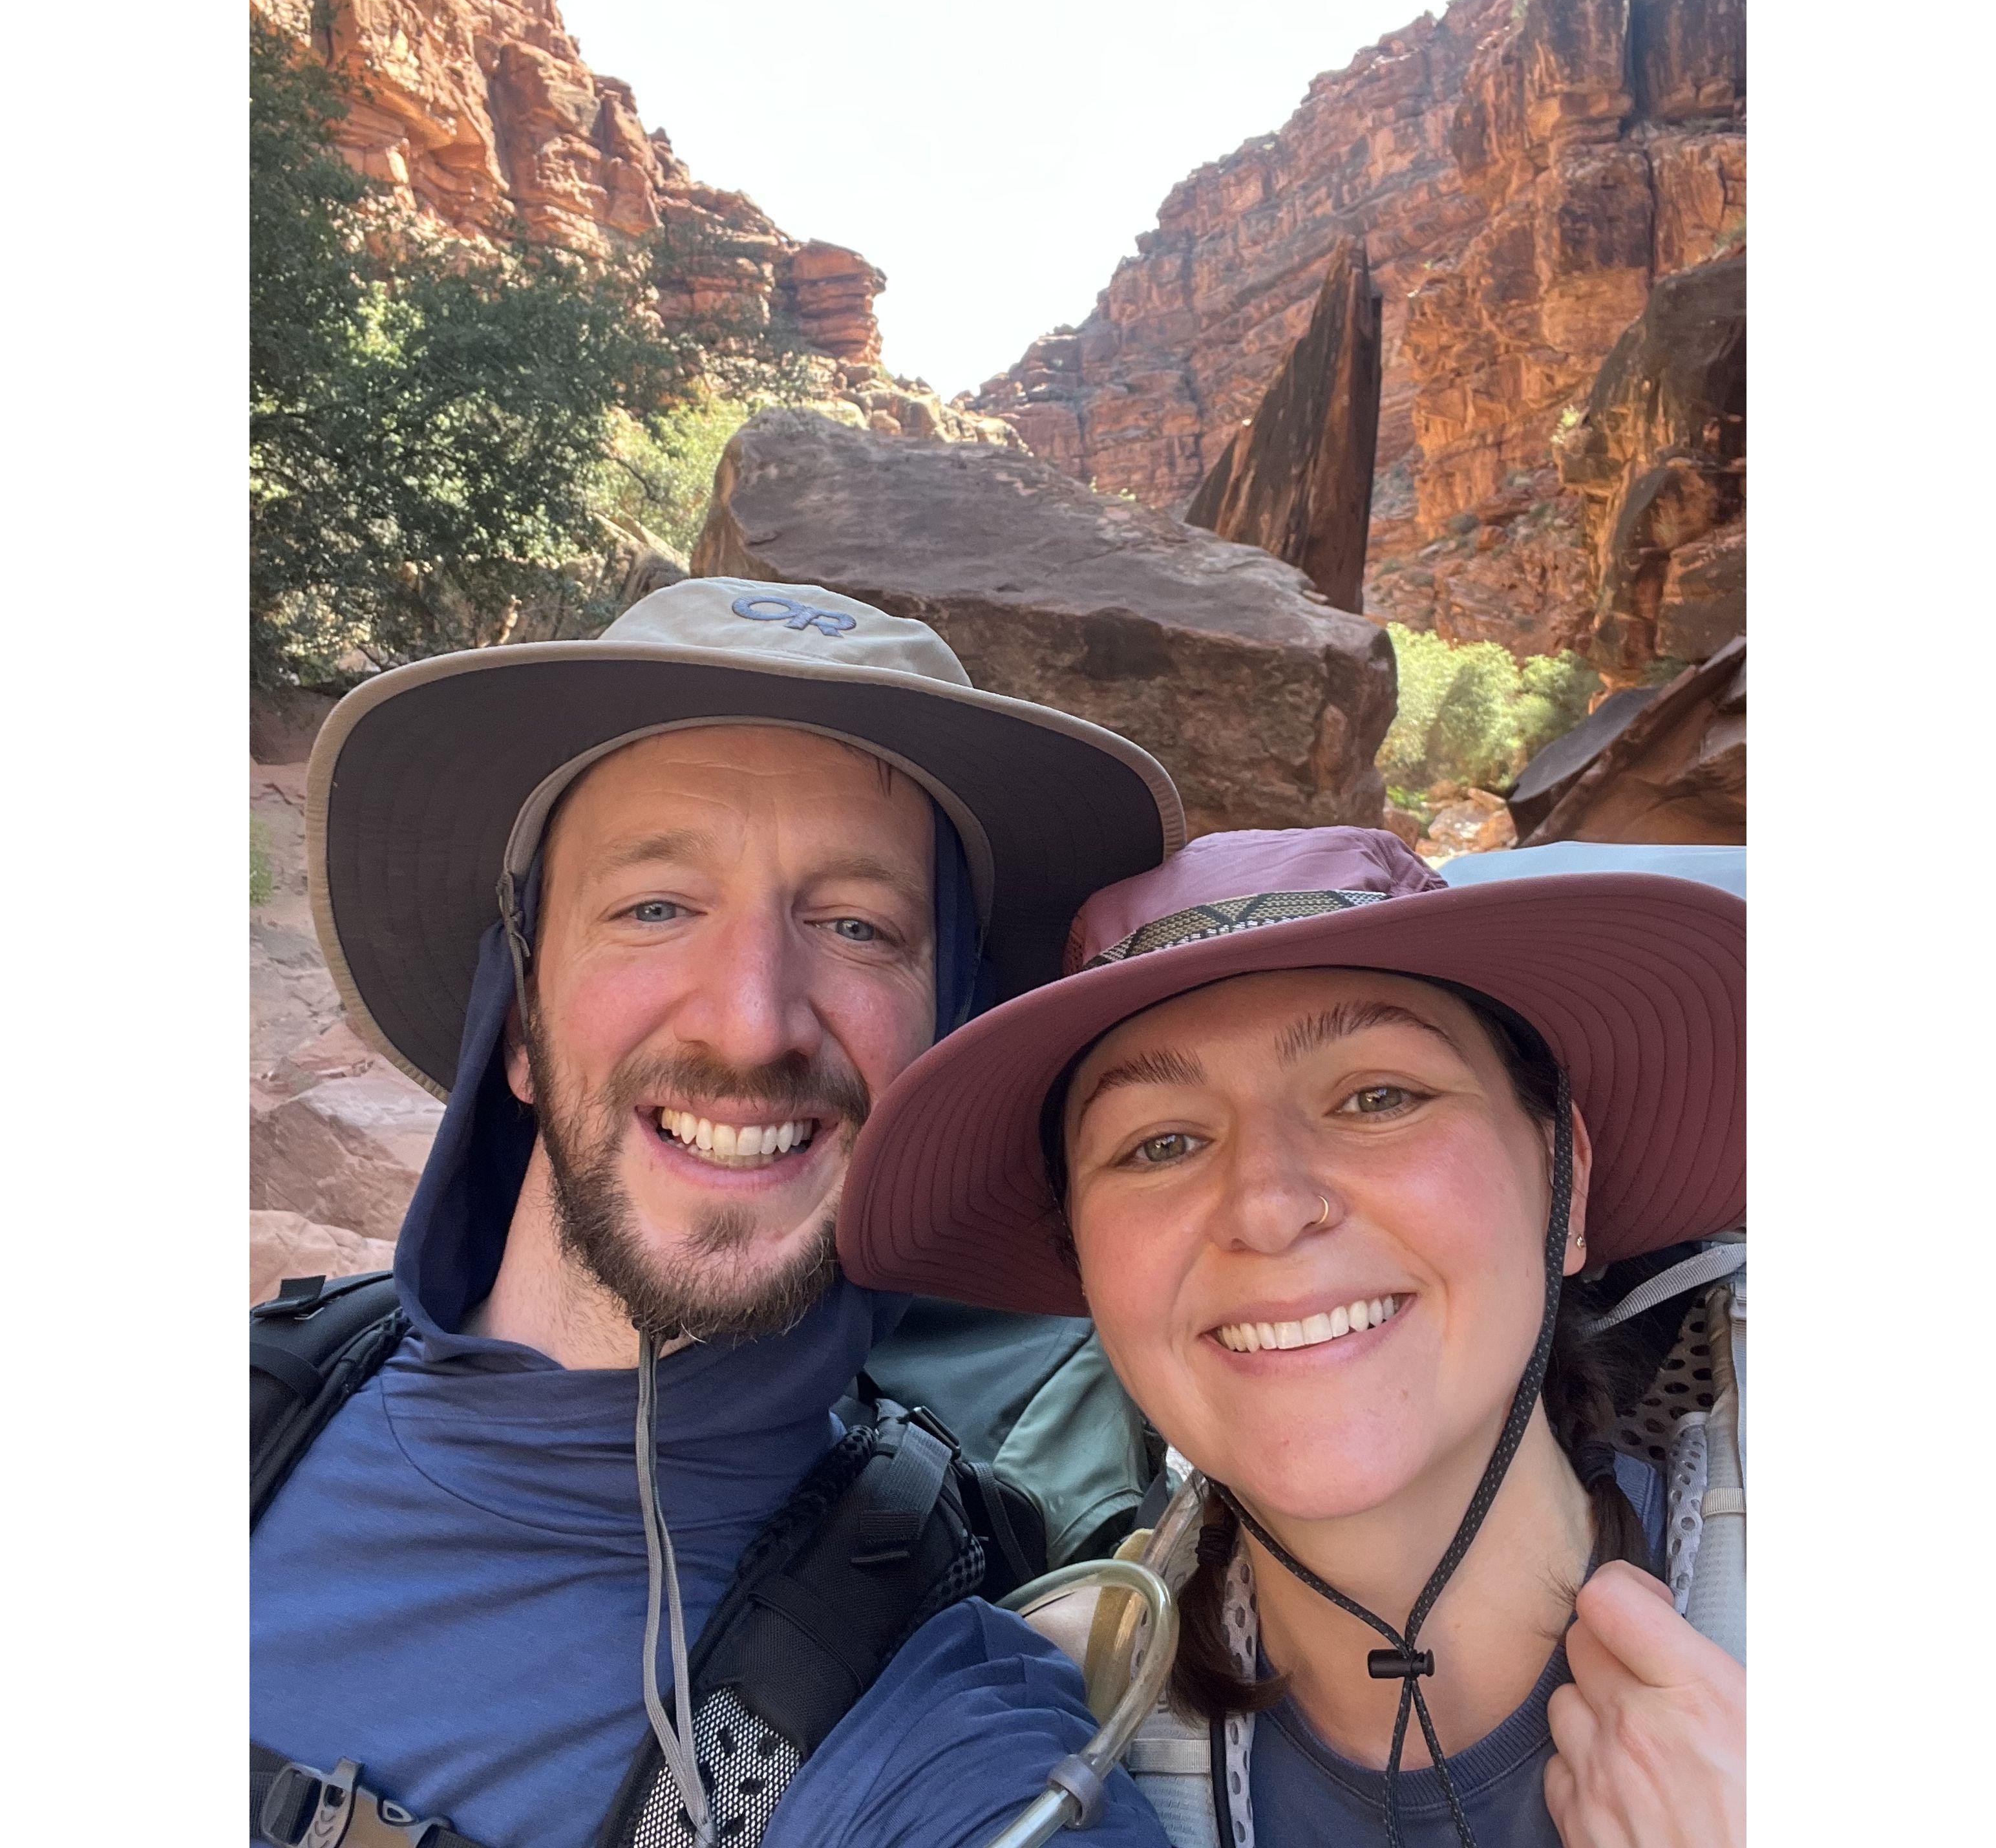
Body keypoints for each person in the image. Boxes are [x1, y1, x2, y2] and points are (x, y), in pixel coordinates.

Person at [251, 575, 1190, 1848]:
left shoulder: (942, 1729)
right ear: (518, 1024)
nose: (751, 1022)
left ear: (943, 1050)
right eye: (656, 907)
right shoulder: (254, 1404)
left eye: (857, 926)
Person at [837, 825, 1746, 1848]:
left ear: (1561, 1179)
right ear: (1085, 1265)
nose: (1267, 1207)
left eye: (1379, 1098)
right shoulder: (1031, 1734)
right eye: (1162, 1144)